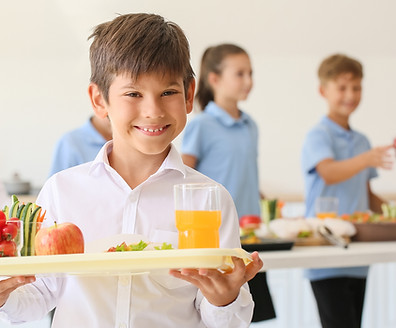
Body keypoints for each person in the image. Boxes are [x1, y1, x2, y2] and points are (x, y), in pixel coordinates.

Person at [0, 13, 262, 328]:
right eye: (133, 94)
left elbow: (228, 321)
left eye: (168, 92)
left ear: (189, 94)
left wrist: (225, 299)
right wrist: (5, 296)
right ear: (99, 100)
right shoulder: (62, 190)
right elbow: (39, 296)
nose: (153, 111)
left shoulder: (211, 200)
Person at [181, 44, 276, 323]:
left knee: (252, 314)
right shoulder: (201, 125)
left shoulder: (251, 125)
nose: (248, 81)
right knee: (222, 313)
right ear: (214, 79)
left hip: (251, 233)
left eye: (250, 73)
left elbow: (243, 172)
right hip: (219, 235)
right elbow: (185, 177)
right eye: (240, 74)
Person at [301, 53, 393, 328]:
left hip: (358, 254)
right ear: (323, 91)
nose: (350, 94)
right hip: (326, 253)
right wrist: (365, 159)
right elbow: (328, 172)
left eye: (356, 87)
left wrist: (390, 213)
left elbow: (366, 193)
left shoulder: (362, 140)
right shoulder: (319, 135)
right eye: (342, 87)